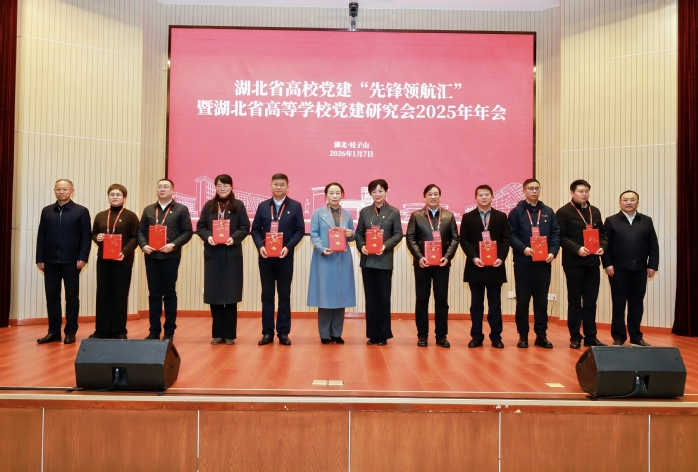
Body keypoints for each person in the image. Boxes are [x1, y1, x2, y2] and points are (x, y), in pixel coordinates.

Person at [251, 173, 305, 346]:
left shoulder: (295, 206)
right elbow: (255, 230)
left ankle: (283, 332)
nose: (279, 187)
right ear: (271, 186)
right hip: (265, 257)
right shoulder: (263, 206)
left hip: (284, 257)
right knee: (267, 296)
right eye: (276, 184)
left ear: (287, 186)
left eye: (282, 184)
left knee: (284, 296)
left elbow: (300, 230)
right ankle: (267, 333)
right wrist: (260, 246)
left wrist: (287, 247)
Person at [196, 174, 250, 345]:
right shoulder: (209, 206)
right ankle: (217, 334)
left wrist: (234, 238)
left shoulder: (238, 205)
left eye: (225, 185)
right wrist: (208, 237)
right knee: (215, 294)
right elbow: (200, 226)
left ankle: (230, 335)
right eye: (219, 185)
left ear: (231, 187)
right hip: (213, 254)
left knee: (231, 295)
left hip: (232, 253)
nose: (222, 188)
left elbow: (245, 226)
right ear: (215, 187)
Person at [35, 179, 91, 344]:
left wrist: (83, 257)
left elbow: (86, 237)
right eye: (58, 189)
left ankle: (70, 332)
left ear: (72, 191)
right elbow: (41, 235)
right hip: (50, 261)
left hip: (72, 261)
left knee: (71, 298)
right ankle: (53, 332)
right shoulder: (47, 211)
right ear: (54, 190)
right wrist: (40, 258)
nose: (61, 192)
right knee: (52, 297)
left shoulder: (81, 211)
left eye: (65, 189)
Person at [137, 179, 193, 341]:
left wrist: (173, 245)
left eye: (166, 187)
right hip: (151, 256)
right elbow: (140, 231)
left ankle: (169, 331)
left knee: (169, 293)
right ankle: (154, 330)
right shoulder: (148, 209)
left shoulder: (181, 209)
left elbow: (187, 232)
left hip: (170, 256)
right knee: (154, 294)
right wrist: (143, 245)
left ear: (173, 190)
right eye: (159, 186)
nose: (162, 189)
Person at [602, 190, 659, 347]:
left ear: (637, 202)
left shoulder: (646, 220)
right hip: (617, 270)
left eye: (632, 200)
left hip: (640, 269)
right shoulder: (611, 221)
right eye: (625, 200)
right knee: (618, 304)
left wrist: (652, 265)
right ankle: (619, 337)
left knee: (636, 305)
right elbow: (605, 246)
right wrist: (607, 264)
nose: (629, 202)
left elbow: (653, 245)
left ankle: (636, 337)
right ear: (620, 203)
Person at [508, 179, 560, 349]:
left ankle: (541, 335)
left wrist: (553, 252)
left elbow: (556, 233)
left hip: (543, 263)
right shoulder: (516, 212)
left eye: (537, 188)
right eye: (530, 188)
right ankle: (523, 335)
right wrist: (523, 249)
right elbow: (511, 235)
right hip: (523, 262)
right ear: (524, 190)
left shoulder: (548, 212)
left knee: (541, 301)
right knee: (523, 301)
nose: (534, 191)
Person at [556, 179, 608, 349]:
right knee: (575, 301)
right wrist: (577, 249)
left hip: (593, 263)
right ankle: (575, 336)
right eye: (580, 191)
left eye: (586, 191)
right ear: (572, 193)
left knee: (591, 301)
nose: (584, 194)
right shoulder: (563, 212)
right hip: (574, 263)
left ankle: (591, 336)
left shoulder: (595, 211)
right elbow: (561, 237)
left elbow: (603, 234)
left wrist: (602, 247)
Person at [406, 184, 459, 348]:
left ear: (440, 197)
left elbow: (455, 238)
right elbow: (410, 238)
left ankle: (441, 336)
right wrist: (419, 257)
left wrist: (447, 257)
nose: (433, 197)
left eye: (436, 194)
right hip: (422, 264)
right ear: (425, 197)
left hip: (442, 264)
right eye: (430, 194)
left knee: (441, 300)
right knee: (422, 299)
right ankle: (422, 335)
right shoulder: (416, 216)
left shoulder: (449, 216)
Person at [460, 185, 510, 348]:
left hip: (495, 266)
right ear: (475, 198)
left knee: (495, 304)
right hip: (476, 266)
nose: (484, 198)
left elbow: (506, 240)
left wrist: (501, 258)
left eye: (487, 195)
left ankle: (496, 336)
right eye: (480, 195)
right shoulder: (468, 217)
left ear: (492, 197)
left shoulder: (501, 216)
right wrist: (474, 257)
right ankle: (476, 336)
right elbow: (464, 240)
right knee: (476, 304)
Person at [355, 179, 403, 346]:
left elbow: (398, 234)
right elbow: (359, 233)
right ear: (370, 193)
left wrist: (385, 246)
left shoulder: (394, 212)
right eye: (374, 191)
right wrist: (361, 246)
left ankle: (383, 335)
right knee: (370, 299)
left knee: (383, 298)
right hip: (368, 260)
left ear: (386, 192)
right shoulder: (364, 212)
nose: (377, 194)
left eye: (380, 191)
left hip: (384, 259)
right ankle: (373, 334)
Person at [307, 183, 356, 344]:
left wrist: (351, 234)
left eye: (337, 193)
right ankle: (324, 334)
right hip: (324, 258)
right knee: (324, 297)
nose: (334, 196)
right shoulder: (318, 213)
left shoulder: (347, 215)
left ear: (342, 194)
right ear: (326, 195)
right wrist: (322, 248)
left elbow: (352, 236)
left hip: (343, 259)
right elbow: (314, 234)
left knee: (341, 297)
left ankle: (336, 333)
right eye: (331, 193)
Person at [90, 184, 139, 339]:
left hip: (122, 260)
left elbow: (135, 237)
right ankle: (101, 330)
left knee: (120, 295)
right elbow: (94, 233)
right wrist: (97, 238)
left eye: (118, 194)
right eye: (112, 194)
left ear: (124, 198)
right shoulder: (100, 215)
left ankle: (119, 331)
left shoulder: (131, 216)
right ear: (108, 197)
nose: (115, 197)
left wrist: (124, 252)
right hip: (103, 260)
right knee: (103, 294)